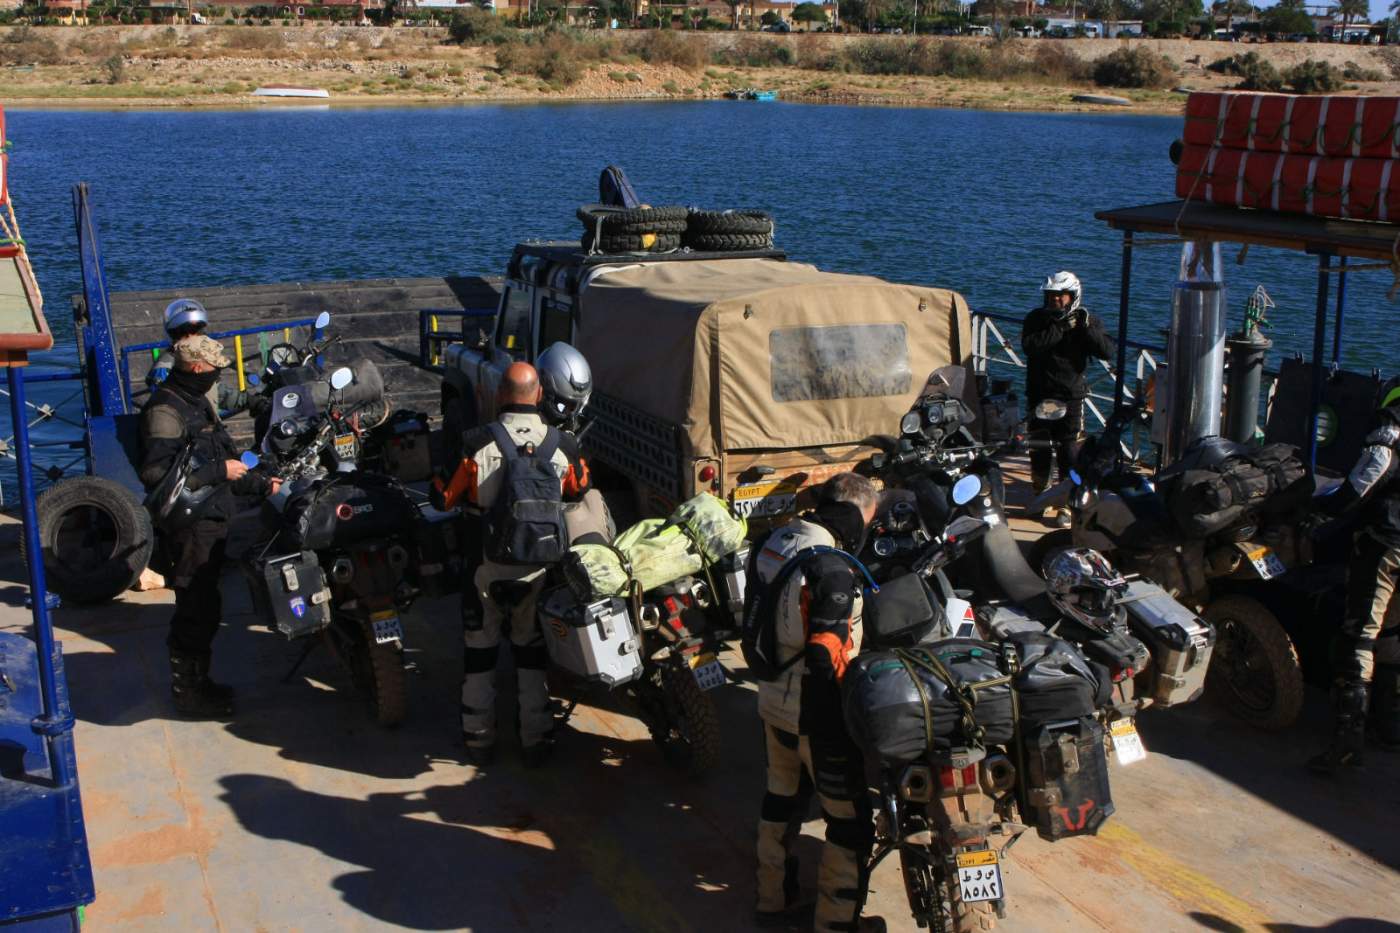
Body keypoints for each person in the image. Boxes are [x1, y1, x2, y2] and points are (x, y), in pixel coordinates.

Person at [432, 362, 592, 768]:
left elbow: (443, 499)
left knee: (480, 652)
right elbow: (581, 488)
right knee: (530, 652)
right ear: (539, 395)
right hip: (538, 567)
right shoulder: (562, 444)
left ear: (500, 395)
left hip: (485, 566)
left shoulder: (475, 442)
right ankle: (535, 737)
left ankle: (479, 740)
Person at [752, 472, 881, 932]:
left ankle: (772, 899)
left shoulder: (775, 540)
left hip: (772, 701)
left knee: (780, 799)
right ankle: (835, 924)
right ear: (855, 514)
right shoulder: (832, 568)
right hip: (817, 714)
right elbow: (827, 655)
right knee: (849, 823)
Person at [138, 335, 279, 718]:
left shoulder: (197, 402)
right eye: (215, 368)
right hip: (190, 526)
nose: (219, 374)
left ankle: (199, 684)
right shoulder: (165, 411)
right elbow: (155, 472)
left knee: (207, 603)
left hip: (213, 518)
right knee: (195, 608)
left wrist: (263, 481)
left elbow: (226, 458)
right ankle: (188, 693)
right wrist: (220, 471)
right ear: (198, 368)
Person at [1309, 377, 1400, 773]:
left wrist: (1324, 512)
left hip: (1385, 541)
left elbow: (1367, 478)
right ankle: (1391, 724)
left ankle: (1347, 744)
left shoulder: (1390, 428)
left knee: (1359, 637)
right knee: (1395, 633)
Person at [1020, 271, 1115, 528]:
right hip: (1039, 395)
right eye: (1050, 296)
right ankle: (1041, 494)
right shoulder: (1036, 319)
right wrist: (1060, 328)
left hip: (1070, 397)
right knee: (1039, 447)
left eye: (1059, 296)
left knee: (1069, 452)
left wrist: (1085, 329)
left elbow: (1107, 351)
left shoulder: (1087, 321)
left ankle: (1068, 504)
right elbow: (1031, 346)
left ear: (1072, 296)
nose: (1054, 301)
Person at [147, 298, 257, 418]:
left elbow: (216, 392)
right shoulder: (165, 368)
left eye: (199, 332)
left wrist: (249, 400)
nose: (200, 338)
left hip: (209, 432)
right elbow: (165, 409)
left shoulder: (202, 358)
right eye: (194, 334)